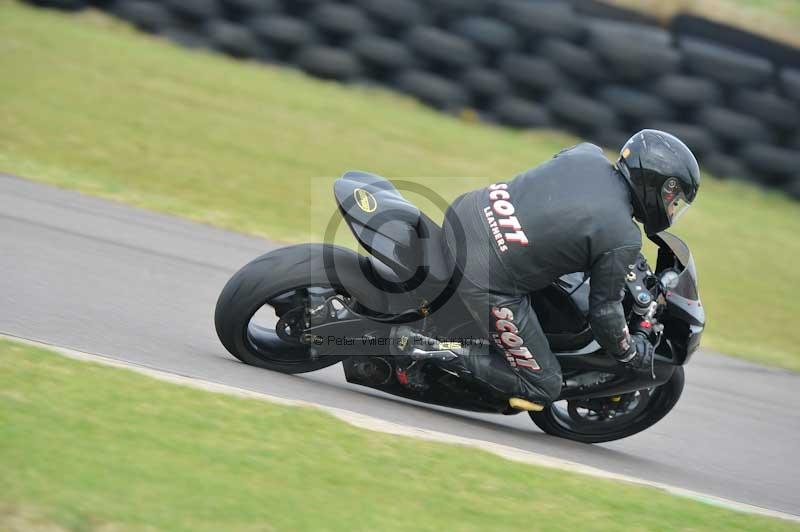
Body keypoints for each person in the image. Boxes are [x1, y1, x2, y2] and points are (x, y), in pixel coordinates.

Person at [439, 129, 700, 410]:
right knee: (544, 385)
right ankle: (431, 348)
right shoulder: (622, 236)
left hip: (465, 213)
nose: (671, 209)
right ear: (659, 184)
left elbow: (567, 208)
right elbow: (605, 313)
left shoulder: (586, 154)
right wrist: (629, 352)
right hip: (484, 276)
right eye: (674, 200)